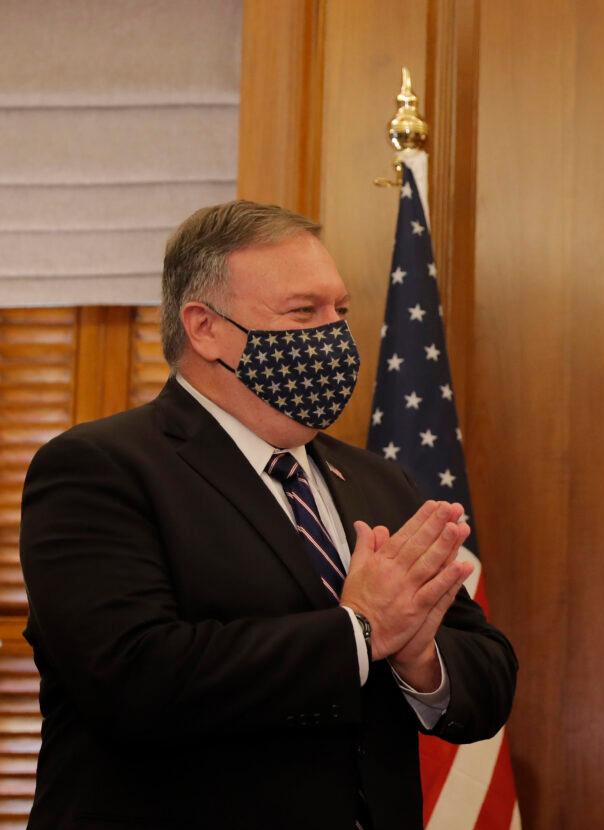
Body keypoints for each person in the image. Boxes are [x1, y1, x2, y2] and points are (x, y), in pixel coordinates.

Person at [19, 201, 518, 829]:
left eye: (341, 311)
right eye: (304, 312)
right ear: (204, 328)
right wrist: (361, 632)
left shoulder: (378, 480)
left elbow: (489, 674)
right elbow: (132, 677)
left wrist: (419, 658)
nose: (334, 334)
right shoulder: (97, 469)